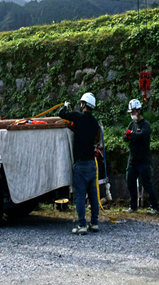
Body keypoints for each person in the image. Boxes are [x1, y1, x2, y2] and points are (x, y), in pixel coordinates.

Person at [59, 92, 101, 235]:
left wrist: (65, 106)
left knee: (80, 196)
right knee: (93, 195)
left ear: (84, 104)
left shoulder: (78, 117)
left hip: (81, 164)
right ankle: (94, 223)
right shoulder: (94, 121)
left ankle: (82, 225)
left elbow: (61, 114)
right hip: (91, 163)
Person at [123, 98, 159, 215]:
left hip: (143, 160)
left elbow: (142, 135)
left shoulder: (145, 124)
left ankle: (155, 207)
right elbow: (125, 136)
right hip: (132, 160)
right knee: (130, 182)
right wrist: (128, 136)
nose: (132, 115)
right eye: (131, 113)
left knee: (147, 184)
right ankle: (133, 206)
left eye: (133, 112)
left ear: (139, 111)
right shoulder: (131, 124)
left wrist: (131, 135)